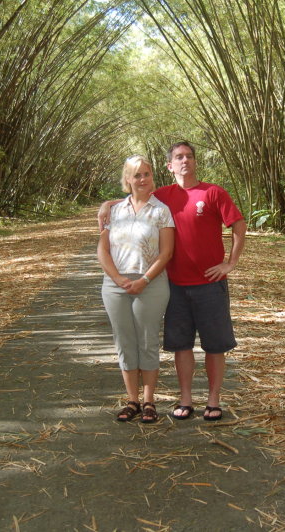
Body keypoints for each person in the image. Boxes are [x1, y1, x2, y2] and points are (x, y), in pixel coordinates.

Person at [99, 141, 246, 422]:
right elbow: (135, 197)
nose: (185, 161)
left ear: (195, 162)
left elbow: (238, 225)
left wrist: (230, 262)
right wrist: (108, 204)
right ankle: (186, 398)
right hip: (175, 283)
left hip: (209, 282)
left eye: (189, 156)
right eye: (178, 157)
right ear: (169, 166)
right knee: (182, 345)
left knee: (215, 345)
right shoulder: (164, 196)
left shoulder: (212, 192)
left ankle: (213, 400)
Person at [97, 155, 175, 423]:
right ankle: (132, 401)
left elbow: (166, 253)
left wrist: (144, 279)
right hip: (115, 285)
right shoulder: (114, 211)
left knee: (147, 340)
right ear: (127, 179)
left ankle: (149, 401)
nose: (143, 179)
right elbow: (102, 249)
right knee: (124, 341)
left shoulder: (161, 210)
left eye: (147, 174)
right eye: (137, 175)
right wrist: (118, 279)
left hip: (151, 283)